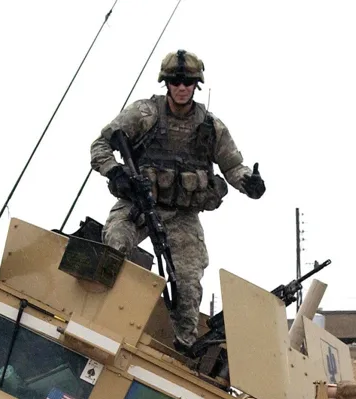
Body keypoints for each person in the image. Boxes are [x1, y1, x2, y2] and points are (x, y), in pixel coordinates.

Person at [90, 50, 265, 348]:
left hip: (183, 216)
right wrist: (115, 172)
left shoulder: (210, 127)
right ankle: (97, 315)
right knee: (115, 244)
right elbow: (101, 145)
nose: (182, 88)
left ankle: (182, 346)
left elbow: (233, 166)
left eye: (188, 82)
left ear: (196, 85)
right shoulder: (144, 114)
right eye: (175, 81)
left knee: (186, 284)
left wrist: (249, 183)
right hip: (140, 205)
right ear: (166, 83)